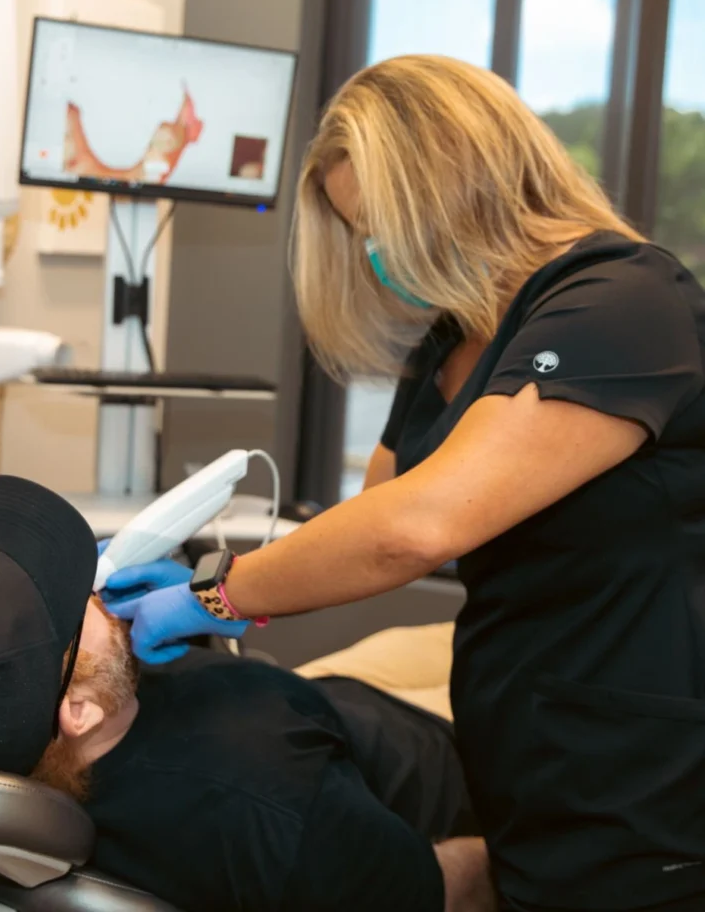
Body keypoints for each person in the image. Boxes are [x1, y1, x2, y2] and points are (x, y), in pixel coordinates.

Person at [102, 54, 705, 912]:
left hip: (635, 753)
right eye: (362, 234)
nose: (377, 254)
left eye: (382, 223)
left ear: (463, 181)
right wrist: (197, 566)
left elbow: (415, 528)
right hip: (520, 731)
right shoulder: (453, 341)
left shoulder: (623, 302)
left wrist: (216, 597)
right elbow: (369, 515)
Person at [0, 475, 493, 912]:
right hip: (446, 764)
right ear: (78, 710)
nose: (94, 587)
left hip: (328, 703)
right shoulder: (271, 813)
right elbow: (451, 890)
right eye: (79, 605)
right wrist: (541, 849)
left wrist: (214, 601)